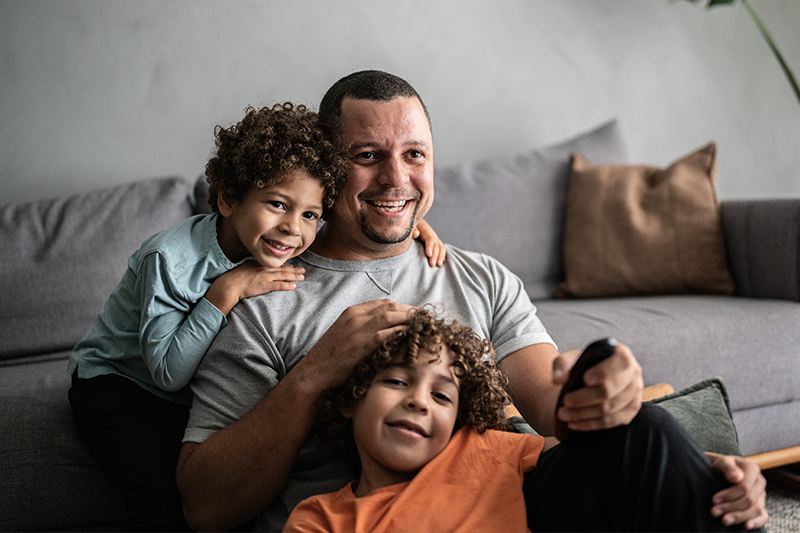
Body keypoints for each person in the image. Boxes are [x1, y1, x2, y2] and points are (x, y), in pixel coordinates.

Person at [176, 71, 768, 532]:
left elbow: (558, 413)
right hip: (378, 517)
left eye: (414, 154)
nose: (395, 179)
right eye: (366, 156)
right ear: (326, 169)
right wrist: (314, 375)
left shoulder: (478, 277)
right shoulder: (262, 296)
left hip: (504, 502)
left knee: (655, 435)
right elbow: (205, 509)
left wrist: (647, 433)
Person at [67, 101, 446, 530]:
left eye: (309, 215)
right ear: (229, 198)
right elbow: (168, 373)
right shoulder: (169, 259)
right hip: (119, 387)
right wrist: (226, 291)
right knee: (159, 507)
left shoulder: (281, 237)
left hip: (180, 393)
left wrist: (415, 227)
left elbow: (356, 223)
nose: (293, 228)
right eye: (277, 204)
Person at [283, 308, 545, 532]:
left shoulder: (484, 447)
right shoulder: (320, 519)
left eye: (441, 397)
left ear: (458, 417)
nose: (419, 401)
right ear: (351, 398)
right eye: (396, 381)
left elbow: (577, 448)